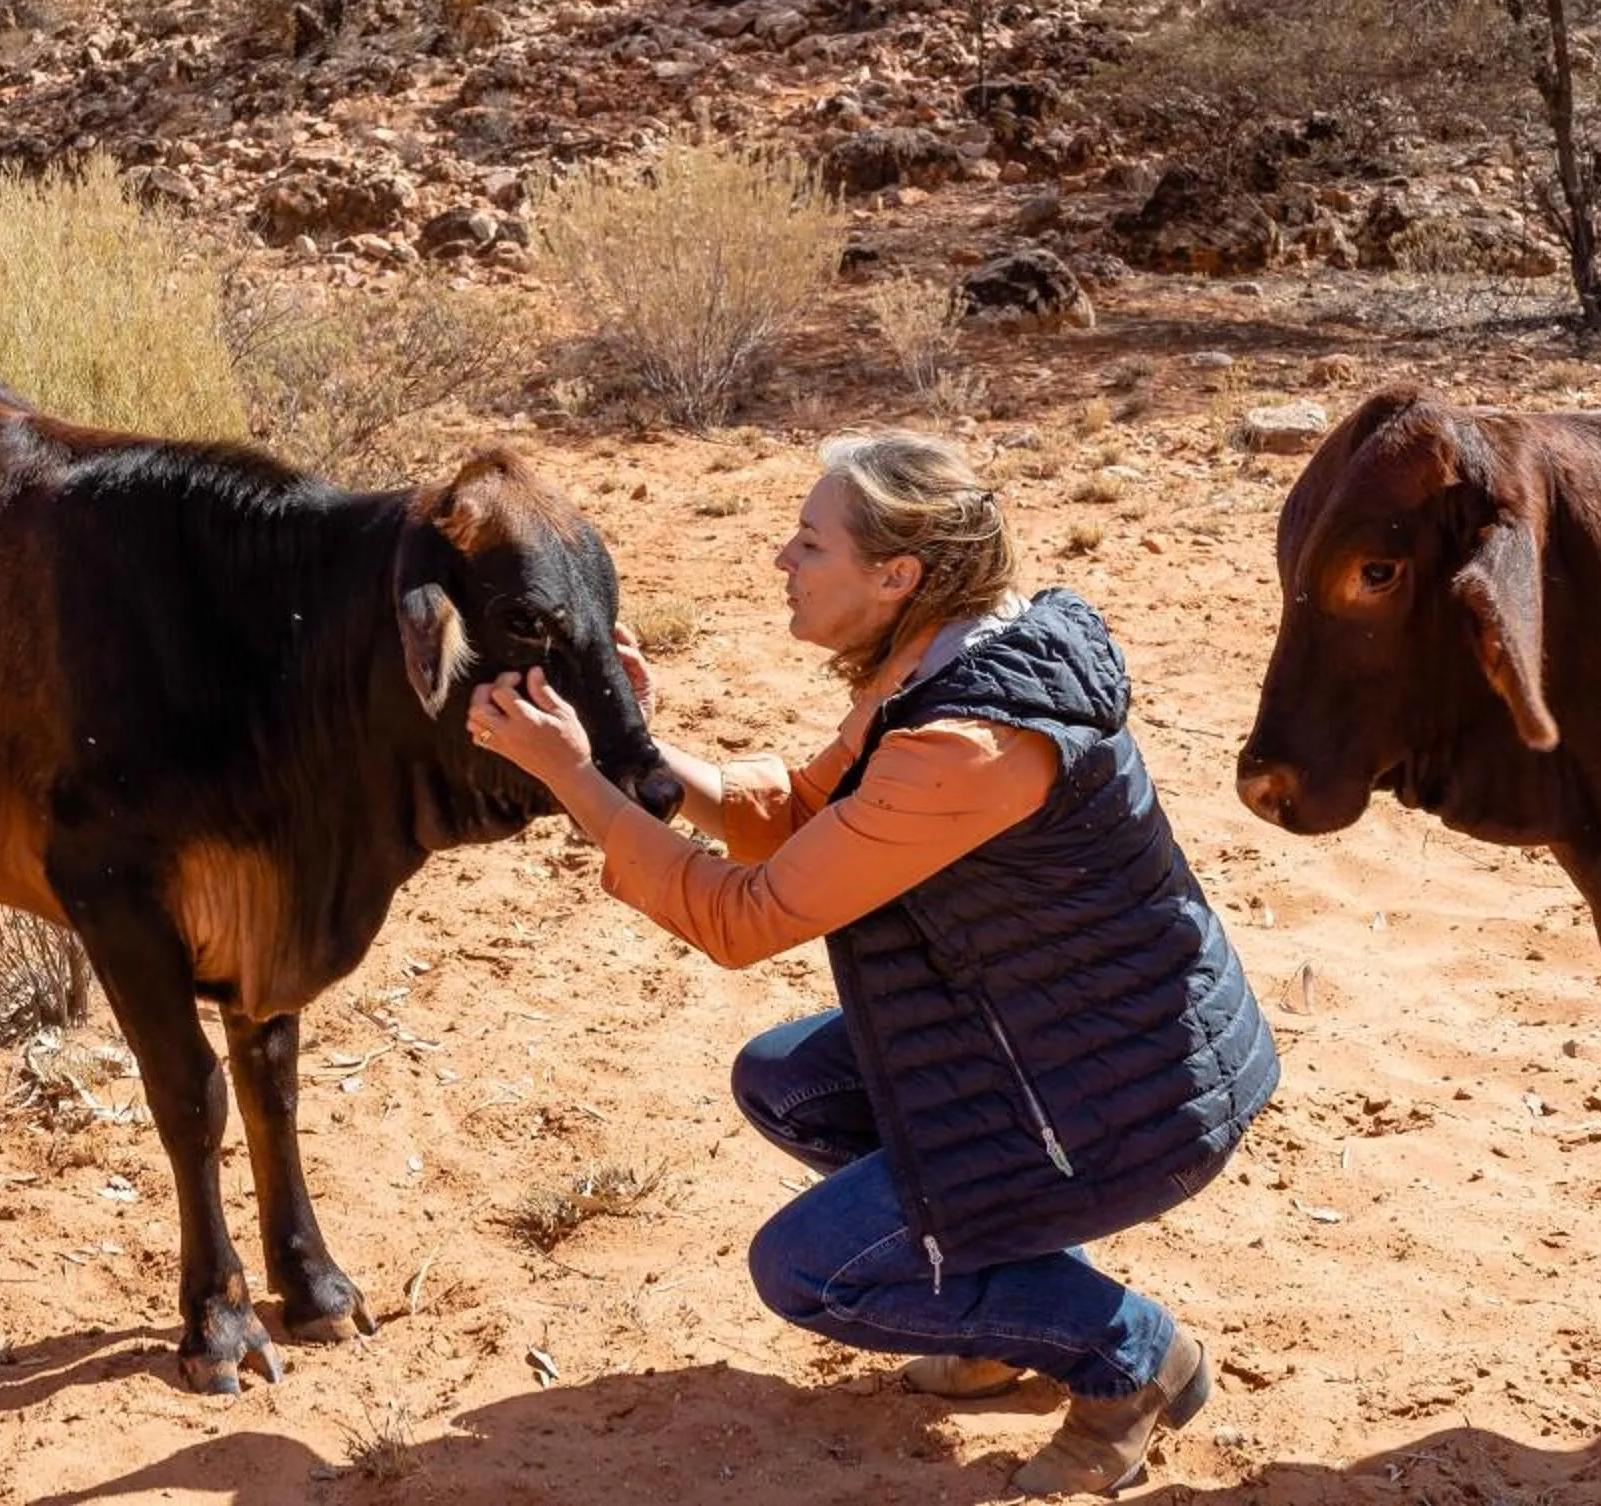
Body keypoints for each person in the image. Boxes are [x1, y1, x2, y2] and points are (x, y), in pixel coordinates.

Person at [469, 429, 1280, 1497]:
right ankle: (1009, 1325)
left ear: (896, 575)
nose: (780, 562)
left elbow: (743, 918)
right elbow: (801, 810)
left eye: (809, 543)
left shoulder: (968, 743)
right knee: (788, 1079)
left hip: (1123, 1102)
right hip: (1071, 1043)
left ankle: (1127, 1358)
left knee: (807, 1271)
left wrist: (576, 783)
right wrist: (635, 749)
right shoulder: (949, 662)